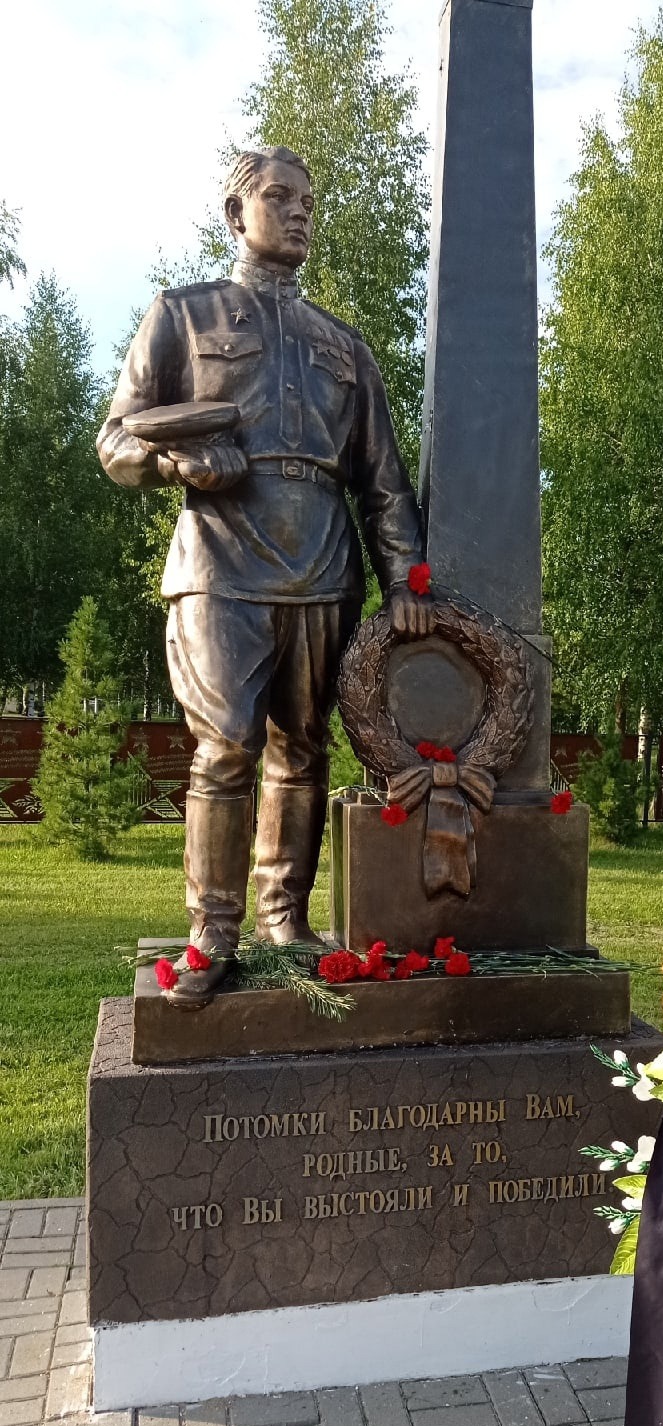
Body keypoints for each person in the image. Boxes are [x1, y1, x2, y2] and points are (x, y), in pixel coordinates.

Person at [98, 145, 432, 1005]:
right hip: (220, 558)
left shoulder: (343, 345)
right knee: (225, 748)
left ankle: (285, 918)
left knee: (303, 747)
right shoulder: (182, 314)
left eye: (307, 201)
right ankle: (213, 928)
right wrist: (175, 465)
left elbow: (383, 482)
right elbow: (117, 440)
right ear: (234, 214)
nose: (298, 211)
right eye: (279, 196)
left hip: (322, 565)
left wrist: (406, 583)